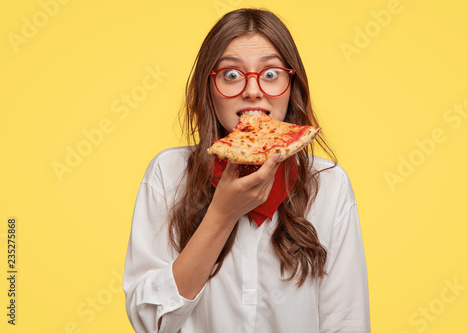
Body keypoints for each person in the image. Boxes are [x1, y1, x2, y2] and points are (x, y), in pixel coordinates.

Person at [123, 8, 370, 333]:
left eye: (270, 74)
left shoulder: (330, 184)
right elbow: (151, 321)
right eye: (231, 74)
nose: (252, 90)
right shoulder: (167, 174)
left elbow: (346, 323)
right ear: (209, 87)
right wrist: (222, 215)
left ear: (290, 83)